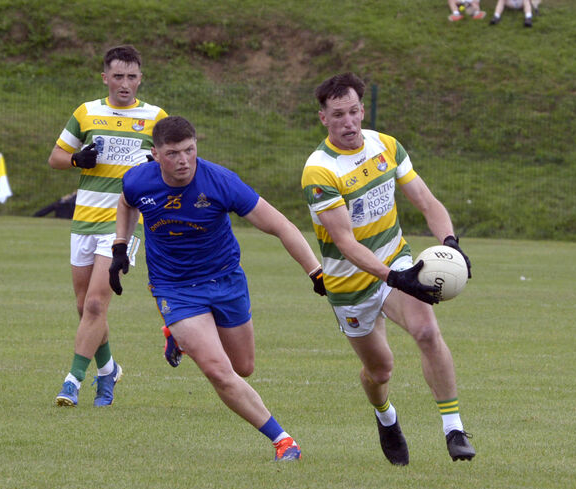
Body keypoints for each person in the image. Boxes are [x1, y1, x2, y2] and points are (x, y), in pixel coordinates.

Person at [109, 115, 325, 461]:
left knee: (243, 367)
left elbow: (281, 226)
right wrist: (120, 245)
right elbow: (126, 202)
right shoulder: (138, 180)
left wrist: (315, 271)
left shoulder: (221, 182)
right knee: (218, 371)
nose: (183, 160)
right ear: (156, 154)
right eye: (172, 153)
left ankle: (177, 335)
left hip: (225, 280)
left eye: (189, 150)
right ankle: (284, 441)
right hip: (174, 288)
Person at [301, 72, 476, 465]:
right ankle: (385, 416)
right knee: (380, 372)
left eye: (353, 111)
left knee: (426, 331)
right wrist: (395, 278)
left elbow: (426, 201)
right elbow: (345, 243)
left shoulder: (386, 146)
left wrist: (450, 244)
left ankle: (453, 429)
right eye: (338, 115)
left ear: (363, 110)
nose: (348, 122)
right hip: (349, 283)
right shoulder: (319, 171)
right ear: (323, 118)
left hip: (395, 257)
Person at [48, 45, 168, 407]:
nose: (125, 83)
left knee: (97, 304)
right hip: (84, 220)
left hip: (124, 224)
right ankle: (108, 369)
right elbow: (55, 158)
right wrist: (76, 159)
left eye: (131, 77)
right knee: (84, 306)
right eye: (118, 76)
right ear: (105, 78)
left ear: (140, 79)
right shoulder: (86, 113)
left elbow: (176, 164)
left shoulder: (155, 117)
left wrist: (156, 166)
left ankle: (72, 381)